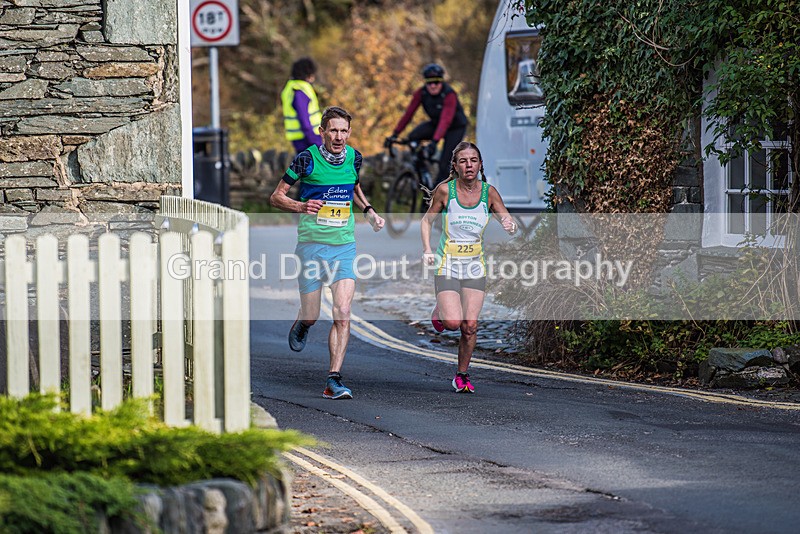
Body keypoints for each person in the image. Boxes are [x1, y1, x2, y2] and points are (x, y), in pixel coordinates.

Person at [270, 106, 385, 399]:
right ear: (323, 132)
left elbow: (354, 186)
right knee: (312, 315)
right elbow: (276, 197)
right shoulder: (307, 158)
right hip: (311, 246)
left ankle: (333, 379)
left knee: (343, 312)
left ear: (349, 132)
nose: (338, 136)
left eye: (344, 130)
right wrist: (301, 206)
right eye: (333, 130)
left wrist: (369, 211)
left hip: (343, 246)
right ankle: (304, 321)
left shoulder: (355, 158)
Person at [420, 141, 517, 393]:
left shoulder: (489, 193)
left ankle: (461, 375)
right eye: (463, 161)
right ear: (455, 166)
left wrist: (509, 224)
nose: (469, 165)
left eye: (473, 160)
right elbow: (426, 221)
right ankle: (440, 310)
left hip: (475, 266)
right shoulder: (445, 191)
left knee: (470, 325)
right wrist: (428, 250)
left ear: (480, 164)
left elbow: (505, 216)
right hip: (447, 263)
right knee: (452, 322)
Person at [388, 63, 468, 187]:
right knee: (412, 136)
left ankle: (437, 197)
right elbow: (409, 114)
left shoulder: (449, 95)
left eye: (436, 82)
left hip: (455, 128)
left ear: (441, 82)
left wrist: (434, 142)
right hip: (437, 123)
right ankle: (423, 171)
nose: (432, 86)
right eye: (429, 82)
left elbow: (446, 120)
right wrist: (395, 134)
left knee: (444, 164)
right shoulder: (421, 93)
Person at [281, 57, 322, 154]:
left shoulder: (291, 87)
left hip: (301, 139)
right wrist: (315, 142)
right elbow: (304, 120)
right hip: (308, 139)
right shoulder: (300, 91)